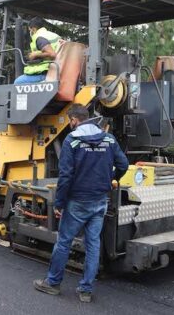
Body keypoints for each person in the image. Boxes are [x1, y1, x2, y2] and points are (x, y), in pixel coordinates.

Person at [33, 104, 129, 302]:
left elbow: (66, 175)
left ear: (75, 120)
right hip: (100, 200)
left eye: (71, 121)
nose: (71, 125)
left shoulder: (72, 140)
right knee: (93, 244)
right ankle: (85, 290)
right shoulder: (108, 139)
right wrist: (111, 178)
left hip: (77, 201)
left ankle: (52, 283)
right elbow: (124, 165)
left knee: (64, 242)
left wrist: (58, 203)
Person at [13, 17, 61, 84]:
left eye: (30, 30)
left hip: (47, 73)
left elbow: (52, 54)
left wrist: (35, 54)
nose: (30, 32)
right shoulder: (55, 35)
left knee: (18, 82)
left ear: (33, 29)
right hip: (58, 70)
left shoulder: (39, 37)